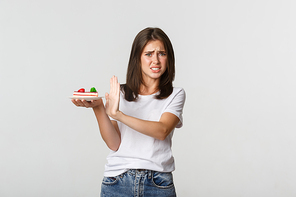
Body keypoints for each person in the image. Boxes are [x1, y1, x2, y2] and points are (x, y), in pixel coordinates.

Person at [72, 27, 185, 197]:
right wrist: (99, 108)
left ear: (169, 58)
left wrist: (118, 115)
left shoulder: (175, 94)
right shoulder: (122, 93)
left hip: (158, 183)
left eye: (161, 53)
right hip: (117, 181)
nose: (155, 60)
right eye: (148, 54)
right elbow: (114, 143)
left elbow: (162, 130)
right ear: (137, 58)